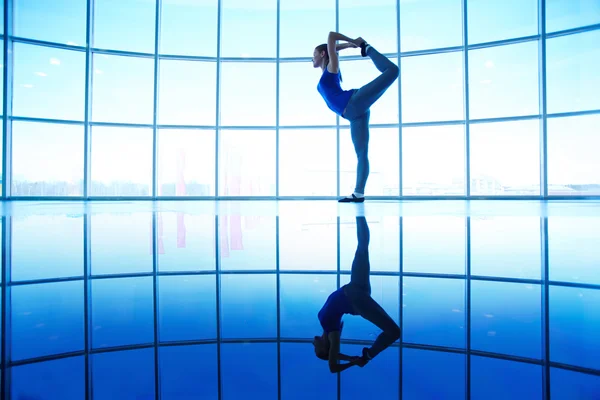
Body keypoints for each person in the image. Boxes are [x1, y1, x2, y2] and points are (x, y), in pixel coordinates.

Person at [313, 32, 399, 203]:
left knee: (393, 71)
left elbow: (331, 36)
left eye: (313, 55)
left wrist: (357, 43)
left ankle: (368, 49)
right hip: (353, 115)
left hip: (353, 103)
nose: (312, 59)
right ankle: (358, 194)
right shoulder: (327, 71)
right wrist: (349, 46)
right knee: (361, 154)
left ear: (323, 54)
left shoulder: (332, 68)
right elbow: (332, 47)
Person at [312, 216, 401, 373]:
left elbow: (332, 357)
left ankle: (359, 212)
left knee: (362, 247)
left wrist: (349, 359)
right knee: (394, 332)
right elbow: (333, 368)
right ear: (325, 348)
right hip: (356, 300)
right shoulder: (333, 333)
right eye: (316, 350)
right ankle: (369, 355)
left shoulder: (325, 326)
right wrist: (353, 362)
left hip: (354, 289)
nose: (313, 345)